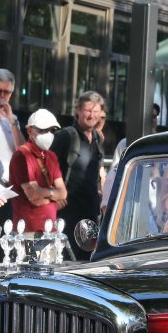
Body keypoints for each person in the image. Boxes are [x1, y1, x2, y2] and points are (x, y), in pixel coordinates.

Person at [9, 108, 67, 234]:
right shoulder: (21, 156)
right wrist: (54, 199)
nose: (48, 134)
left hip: (51, 230)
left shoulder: (51, 156)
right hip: (27, 232)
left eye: (52, 130)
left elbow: (63, 193)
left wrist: (45, 193)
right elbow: (34, 197)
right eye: (43, 130)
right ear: (30, 130)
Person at [56, 90, 107, 229]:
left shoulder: (97, 139)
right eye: (88, 111)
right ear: (78, 110)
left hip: (91, 213)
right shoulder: (66, 136)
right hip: (68, 214)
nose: (92, 115)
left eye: (96, 111)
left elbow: (98, 173)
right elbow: (46, 167)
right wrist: (53, 197)